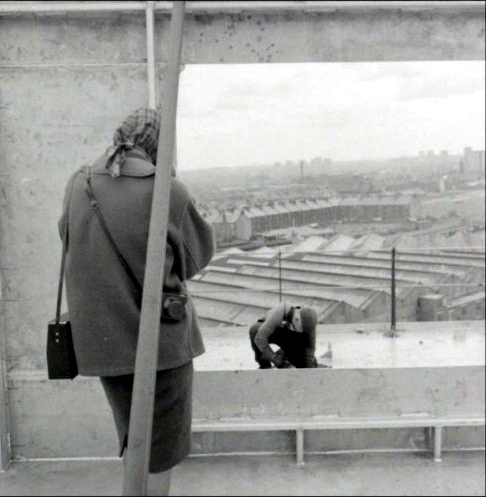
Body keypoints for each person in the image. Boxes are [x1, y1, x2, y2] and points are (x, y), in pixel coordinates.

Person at [58, 108, 214, 496]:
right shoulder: (165, 190)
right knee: (161, 447)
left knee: (134, 434)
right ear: (160, 145)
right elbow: (197, 258)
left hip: (103, 342)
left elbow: (70, 244)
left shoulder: (79, 183)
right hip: (159, 344)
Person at [249, 303, 318, 369]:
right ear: (296, 317)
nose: (298, 330)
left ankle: (286, 357)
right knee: (254, 330)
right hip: (274, 332)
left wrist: (308, 367)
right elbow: (260, 338)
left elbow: (310, 348)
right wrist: (274, 358)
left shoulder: (309, 322)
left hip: (290, 338)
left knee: (304, 363)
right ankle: (265, 365)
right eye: (299, 327)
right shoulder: (279, 313)